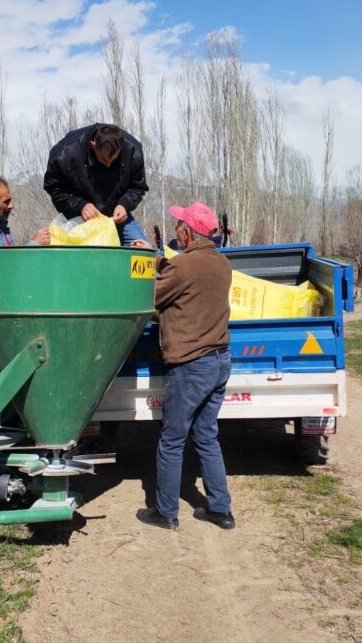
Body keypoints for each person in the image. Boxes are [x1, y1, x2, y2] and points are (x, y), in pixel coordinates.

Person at [137, 202, 236, 531]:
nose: (177, 231)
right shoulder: (221, 264)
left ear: (186, 233)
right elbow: (185, 279)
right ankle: (220, 510)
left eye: (179, 226)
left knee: (172, 439)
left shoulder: (183, 267)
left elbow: (150, 295)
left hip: (192, 366)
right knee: (207, 436)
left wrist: (144, 264)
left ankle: (165, 513)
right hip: (220, 362)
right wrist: (159, 258)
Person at [43, 123, 149, 246]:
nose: (109, 165)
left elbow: (137, 187)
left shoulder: (133, 151)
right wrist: (80, 205)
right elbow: (55, 189)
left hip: (115, 216)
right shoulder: (64, 154)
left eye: (114, 160)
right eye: (104, 160)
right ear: (93, 145)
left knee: (142, 250)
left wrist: (124, 204)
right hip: (79, 217)